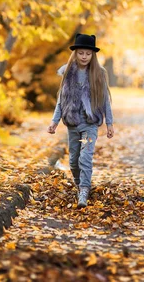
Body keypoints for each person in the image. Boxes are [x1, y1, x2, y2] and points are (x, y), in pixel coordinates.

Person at [47, 33, 114, 208]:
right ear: (75, 53)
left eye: (88, 54)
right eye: (81, 53)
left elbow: (106, 100)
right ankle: (79, 185)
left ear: (93, 55)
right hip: (73, 125)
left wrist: (109, 123)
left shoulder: (98, 73)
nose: (84, 57)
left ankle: (84, 190)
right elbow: (61, 99)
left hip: (90, 125)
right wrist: (55, 121)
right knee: (73, 160)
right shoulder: (68, 74)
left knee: (85, 157)